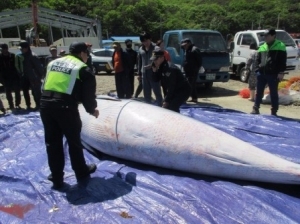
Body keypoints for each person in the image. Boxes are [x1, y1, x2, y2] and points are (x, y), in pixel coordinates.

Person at [40, 42, 99, 189]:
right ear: (81, 53)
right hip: (65, 107)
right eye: (87, 53)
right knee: (74, 141)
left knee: (52, 142)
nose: (88, 56)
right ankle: (81, 171)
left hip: (45, 105)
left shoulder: (53, 63)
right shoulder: (82, 68)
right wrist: (92, 109)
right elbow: (88, 94)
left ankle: (57, 176)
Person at [251, 29, 287, 116]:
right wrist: (257, 70)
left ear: (273, 35)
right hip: (262, 73)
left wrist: (281, 72)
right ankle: (256, 108)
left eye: (267, 36)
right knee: (259, 91)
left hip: (273, 74)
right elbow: (257, 60)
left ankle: (274, 110)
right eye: (265, 36)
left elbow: (283, 61)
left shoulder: (280, 46)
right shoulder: (262, 46)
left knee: (273, 92)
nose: (265, 38)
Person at [15, 41, 44, 110]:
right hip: (26, 77)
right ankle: (29, 105)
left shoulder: (33, 56)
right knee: (26, 91)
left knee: (36, 93)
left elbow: (39, 68)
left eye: (22, 48)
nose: (21, 50)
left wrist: (39, 77)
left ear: (26, 48)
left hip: (34, 78)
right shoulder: (24, 56)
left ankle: (39, 106)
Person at [138, 32, 163, 106]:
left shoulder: (156, 48)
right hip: (144, 73)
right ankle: (148, 108)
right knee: (146, 93)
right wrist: (139, 73)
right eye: (143, 41)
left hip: (154, 72)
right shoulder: (140, 49)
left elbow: (160, 60)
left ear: (150, 39)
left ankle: (160, 107)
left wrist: (152, 65)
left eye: (146, 40)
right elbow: (139, 61)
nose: (145, 43)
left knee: (157, 91)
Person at [0, 43, 22, 110]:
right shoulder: (0, 57)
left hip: (14, 77)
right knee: (8, 93)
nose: (3, 50)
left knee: (17, 91)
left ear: (7, 49)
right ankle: (11, 105)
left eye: (4, 49)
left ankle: (17, 104)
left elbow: (17, 66)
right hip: (5, 78)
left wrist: (19, 75)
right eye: (2, 49)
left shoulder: (12, 56)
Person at [181, 38, 202, 103]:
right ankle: (194, 98)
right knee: (192, 85)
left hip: (193, 71)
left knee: (188, 85)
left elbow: (199, 61)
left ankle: (184, 99)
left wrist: (196, 69)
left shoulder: (194, 49)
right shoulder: (187, 50)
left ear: (189, 43)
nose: (184, 47)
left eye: (185, 45)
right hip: (188, 70)